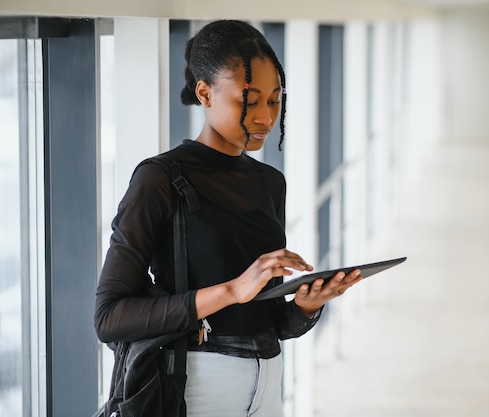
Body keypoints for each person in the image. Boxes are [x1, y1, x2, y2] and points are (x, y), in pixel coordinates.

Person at [94, 19, 362, 417]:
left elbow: (266, 321)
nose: (265, 118)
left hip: (268, 381)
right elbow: (109, 316)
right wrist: (231, 291)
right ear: (205, 93)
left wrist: (306, 307)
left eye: (274, 100)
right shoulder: (161, 178)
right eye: (248, 101)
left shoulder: (270, 183)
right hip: (195, 384)